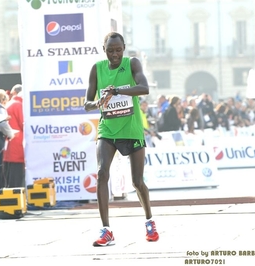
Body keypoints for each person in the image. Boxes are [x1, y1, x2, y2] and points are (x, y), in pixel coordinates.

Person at [84, 32, 159, 247]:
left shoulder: (132, 63)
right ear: (104, 49)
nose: (115, 54)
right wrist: (98, 102)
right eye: (110, 50)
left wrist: (116, 90)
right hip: (108, 129)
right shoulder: (97, 69)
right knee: (101, 173)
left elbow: (144, 88)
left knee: (137, 181)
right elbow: (86, 103)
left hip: (132, 129)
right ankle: (106, 230)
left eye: (118, 50)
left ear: (124, 48)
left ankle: (149, 221)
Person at [3, 85, 25, 188]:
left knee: (10, 174)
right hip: (18, 143)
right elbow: (23, 124)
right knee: (17, 176)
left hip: (10, 143)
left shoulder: (10, 104)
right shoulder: (19, 105)